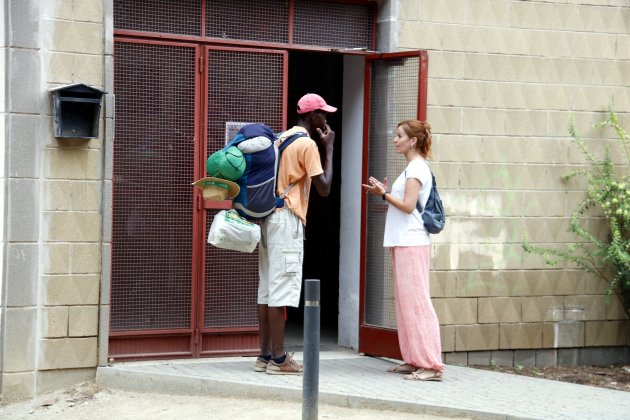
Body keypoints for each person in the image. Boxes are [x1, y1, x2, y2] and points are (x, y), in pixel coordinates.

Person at [255, 93, 336, 375]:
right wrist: (329, 148)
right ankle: (279, 360)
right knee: (280, 290)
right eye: (323, 114)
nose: (325, 119)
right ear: (313, 116)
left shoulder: (280, 139)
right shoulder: (306, 144)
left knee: (266, 290)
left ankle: (264, 355)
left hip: (267, 219)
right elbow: (324, 188)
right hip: (287, 220)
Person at [362, 120, 444, 381]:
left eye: (399, 136)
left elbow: (408, 206)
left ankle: (431, 365)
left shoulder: (417, 167)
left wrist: (383, 194)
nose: (394, 139)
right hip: (403, 241)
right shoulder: (410, 168)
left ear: (413, 141)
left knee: (418, 303)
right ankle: (414, 359)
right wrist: (386, 191)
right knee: (406, 304)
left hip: (412, 241)